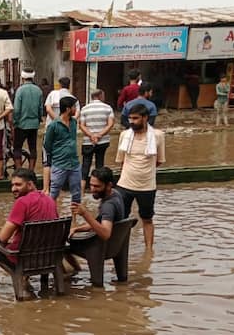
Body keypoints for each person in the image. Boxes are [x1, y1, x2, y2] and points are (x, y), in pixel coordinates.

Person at [0, 167, 58, 289]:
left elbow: (2, 237)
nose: (13, 189)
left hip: (25, 260)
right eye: (12, 185)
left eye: (18, 185)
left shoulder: (22, 202)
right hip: (48, 258)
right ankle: (27, 281)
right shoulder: (50, 200)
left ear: (30, 185)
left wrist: (1, 239)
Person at [115, 102, 165, 250]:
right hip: (125, 184)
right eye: (130, 118)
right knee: (121, 219)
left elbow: (159, 161)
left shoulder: (158, 136)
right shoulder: (124, 135)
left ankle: (148, 251)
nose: (132, 121)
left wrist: (144, 171)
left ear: (145, 118)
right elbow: (121, 161)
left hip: (147, 186)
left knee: (147, 219)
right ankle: (120, 249)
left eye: (135, 118)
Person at [43, 95, 82, 205]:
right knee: (54, 193)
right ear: (68, 109)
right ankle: (50, 217)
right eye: (74, 107)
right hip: (59, 164)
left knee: (77, 194)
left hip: (74, 164)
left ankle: (74, 220)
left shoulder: (74, 122)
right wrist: (57, 155)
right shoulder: (53, 126)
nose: (76, 109)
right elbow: (47, 145)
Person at [69, 166, 125, 241]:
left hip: (103, 248)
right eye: (91, 185)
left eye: (97, 186)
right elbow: (98, 224)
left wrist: (84, 213)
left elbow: (105, 234)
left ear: (109, 185)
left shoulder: (108, 206)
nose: (92, 189)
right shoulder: (115, 193)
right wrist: (76, 229)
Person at [79, 89, 115, 190]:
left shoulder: (85, 109)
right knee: (100, 164)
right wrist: (99, 135)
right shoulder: (108, 108)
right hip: (102, 141)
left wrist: (91, 135)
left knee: (85, 165)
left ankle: (81, 190)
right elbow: (110, 124)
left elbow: (81, 125)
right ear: (100, 96)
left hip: (88, 142)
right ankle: (100, 188)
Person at [12, 69, 44, 170]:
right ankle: (31, 170)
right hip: (34, 124)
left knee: (17, 148)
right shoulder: (38, 90)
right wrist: (39, 119)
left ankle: (19, 169)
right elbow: (40, 108)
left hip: (21, 124)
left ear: (22, 78)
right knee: (33, 148)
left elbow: (16, 109)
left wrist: (15, 122)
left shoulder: (20, 90)